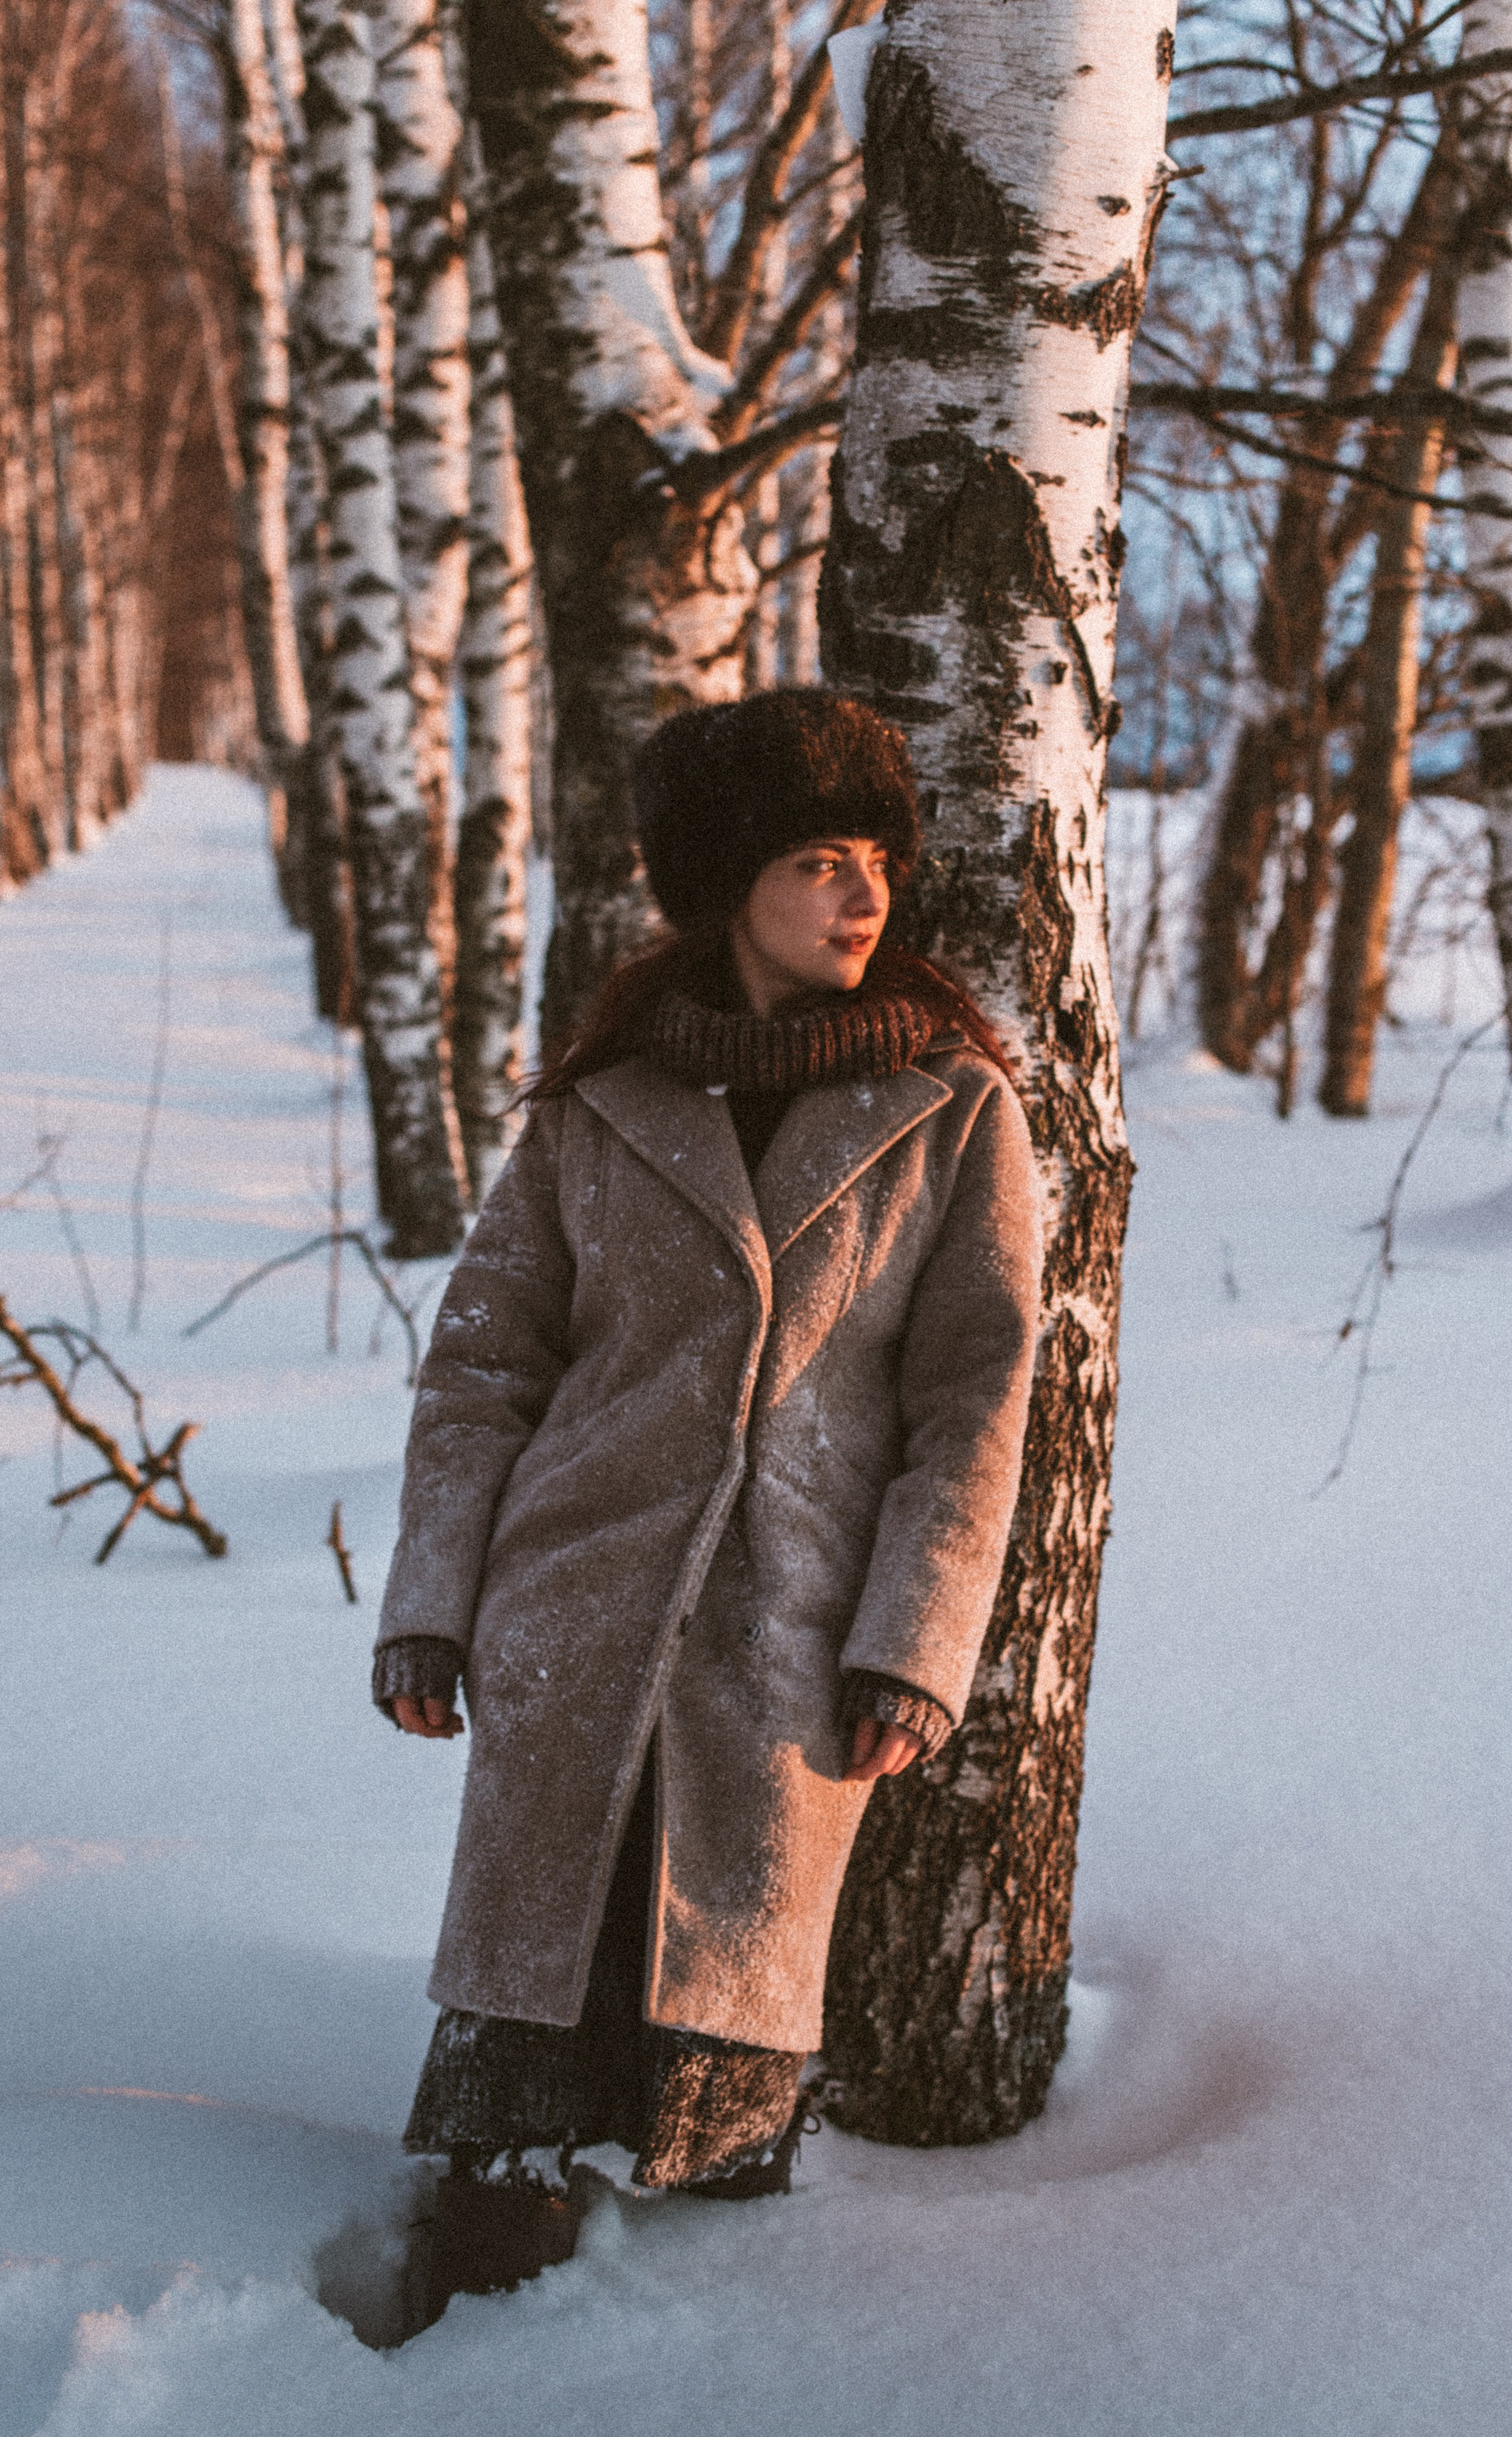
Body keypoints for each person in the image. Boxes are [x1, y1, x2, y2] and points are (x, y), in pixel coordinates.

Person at [372, 688, 1042, 2332]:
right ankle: (454, 2325)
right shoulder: (595, 1107)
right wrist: (434, 1602)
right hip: (571, 1617)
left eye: (878, 858)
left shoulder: (952, 1110)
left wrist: (915, 1643)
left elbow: (980, 1396)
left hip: (791, 1647)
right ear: (725, 881)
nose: (865, 894)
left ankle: (704, 2371)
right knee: (523, 2043)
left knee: (725, 2116)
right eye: (820, 860)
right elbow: (482, 1366)